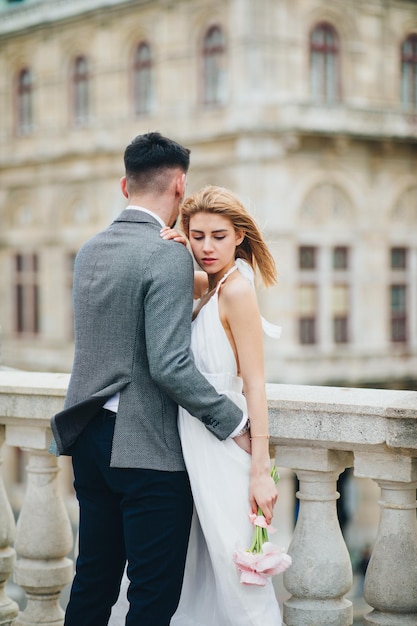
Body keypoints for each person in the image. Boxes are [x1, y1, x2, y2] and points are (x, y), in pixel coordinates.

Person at [50, 134, 250, 626]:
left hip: (90, 439)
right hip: (146, 449)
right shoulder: (165, 255)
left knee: (93, 581)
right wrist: (233, 421)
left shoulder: (90, 250)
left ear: (125, 185)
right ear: (180, 185)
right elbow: (170, 364)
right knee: (152, 597)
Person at [111, 185, 289, 625]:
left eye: (219, 236)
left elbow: (256, 382)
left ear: (239, 237)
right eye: (197, 235)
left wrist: (260, 468)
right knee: (195, 574)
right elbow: (175, 280)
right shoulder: (210, 283)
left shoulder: (237, 290)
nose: (207, 247)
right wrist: (172, 245)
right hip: (189, 445)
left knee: (235, 571)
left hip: (225, 447)